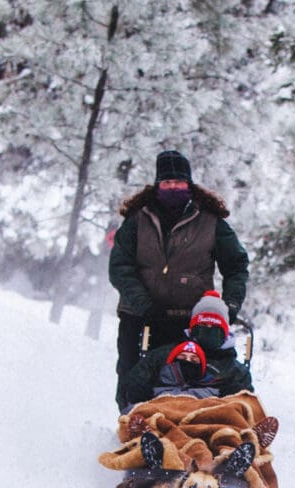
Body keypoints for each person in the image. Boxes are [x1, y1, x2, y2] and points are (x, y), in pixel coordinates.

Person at [108, 149, 249, 412]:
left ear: (189, 185)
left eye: (179, 183)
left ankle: (200, 424)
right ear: (157, 185)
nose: (173, 187)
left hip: (190, 319)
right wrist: (144, 306)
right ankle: (133, 421)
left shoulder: (210, 222)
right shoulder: (137, 221)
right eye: (167, 183)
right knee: (133, 374)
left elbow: (236, 265)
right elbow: (119, 268)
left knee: (193, 376)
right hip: (140, 315)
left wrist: (228, 307)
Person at [119, 290, 255, 402]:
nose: (208, 330)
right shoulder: (166, 354)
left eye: (214, 327)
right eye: (202, 326)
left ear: (224, 332)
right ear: (192, 329)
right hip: (169, 411)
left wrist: (236, 394)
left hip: (211, 417)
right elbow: (137, 378)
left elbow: (247, 397)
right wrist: (140, 389)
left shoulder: (234, 369)